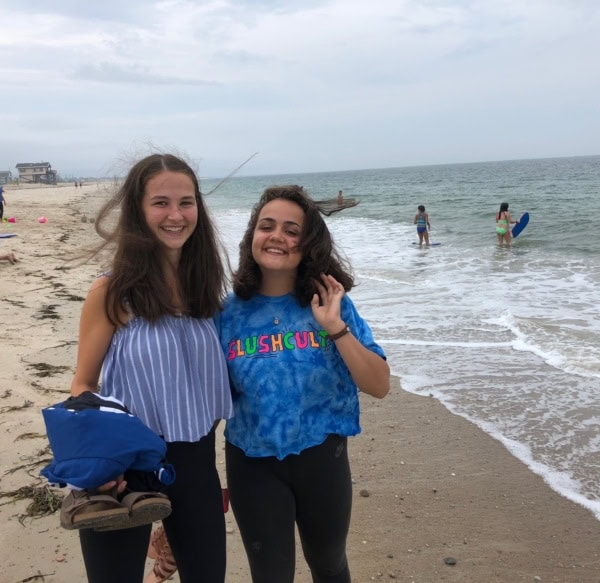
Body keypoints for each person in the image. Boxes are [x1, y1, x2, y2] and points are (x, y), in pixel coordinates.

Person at [70, 153, 233, 583]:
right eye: (161, 202)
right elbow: (83, 383)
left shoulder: (207, 291)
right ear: (138, 212)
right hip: (124, 470)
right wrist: (99, 468)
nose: (176, 215)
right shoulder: (112, 292)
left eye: (187, 202)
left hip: (197, 463)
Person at [217, 184, 390, 582]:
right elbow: (209, 398)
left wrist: (336, 329)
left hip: (322, 458)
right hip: (252, 461)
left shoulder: (332, 304)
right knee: (270, 574)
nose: (277, 236)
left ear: (307, 243)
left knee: (329, 565)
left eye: (291, 230)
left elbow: (379, 384)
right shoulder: (226, 314)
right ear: (252, 237)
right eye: (267, 226)